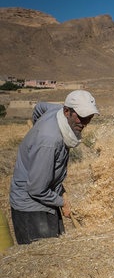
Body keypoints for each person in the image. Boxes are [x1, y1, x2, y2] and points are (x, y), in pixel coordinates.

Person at [9, 90, 99, 244]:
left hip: (46, 196)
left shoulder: (54, 111)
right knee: (43, 259)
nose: (84, 123)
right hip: (31, 207)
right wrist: (62, 202)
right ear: (66, 111)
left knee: (57, 248)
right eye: (81, 117)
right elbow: (36, 189)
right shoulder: (49, 142)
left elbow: (39, 107)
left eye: (88, 118)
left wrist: (37, 127)